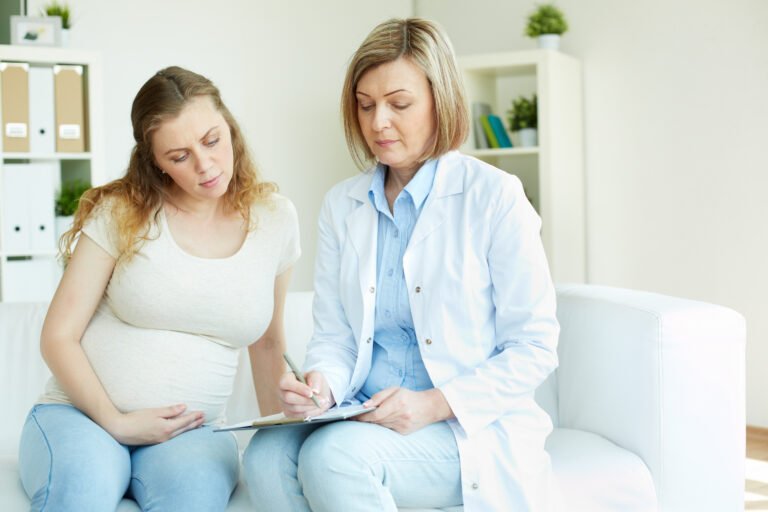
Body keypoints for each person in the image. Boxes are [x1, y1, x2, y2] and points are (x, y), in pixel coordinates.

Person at [243, 17, 559, 512]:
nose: (377, 123)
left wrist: (431, 404)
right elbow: (337, 337)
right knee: (263, 458)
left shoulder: (495, 197)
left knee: (334, 458)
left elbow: (534, 347)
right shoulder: (341, 205)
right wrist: (320, 386)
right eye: (365, 106)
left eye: (399, 104)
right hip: (363, 415)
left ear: (441, 99)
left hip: (462, 429)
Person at [17, 66, 300, 511]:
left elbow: (267, 344)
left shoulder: (275, 218)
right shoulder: (122, 211)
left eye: (212, 140)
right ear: (154, 162)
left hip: (190, 435)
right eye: (179, 156)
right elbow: (58, 335)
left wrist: (281, 440)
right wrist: (116, 422)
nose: (206, 165)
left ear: (230, 127)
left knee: (192, 498)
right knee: (82, 491)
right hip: (80, 418)